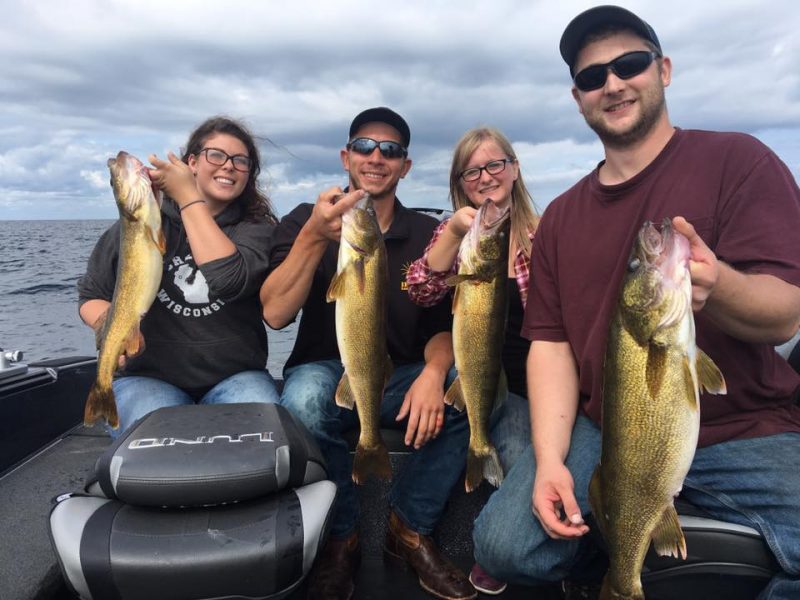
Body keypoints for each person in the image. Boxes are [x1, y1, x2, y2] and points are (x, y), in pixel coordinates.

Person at [471, 6, 800, 600]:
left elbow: (785, 314)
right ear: (578, 98)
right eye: (593, 76)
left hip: (746, 426)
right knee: (502, 546)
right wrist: (549, 462)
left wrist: (717, 285)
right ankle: (623, 559)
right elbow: (549, 344)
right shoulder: (563, 217)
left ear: (664, 69)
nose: (614, 83)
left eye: (630, 63)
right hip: (611, 429)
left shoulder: (739, 160)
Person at [260, 107, 475, 600]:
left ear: (405, 166)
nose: (376, 157)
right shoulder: (305, 220)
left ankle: (408, 526)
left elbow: (444, 328)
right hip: (325, 369)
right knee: (305, 402)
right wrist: (315, 235)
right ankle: (344, 537)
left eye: (391, 150)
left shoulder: (427, 234)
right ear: (346, 156)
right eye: (364, 146)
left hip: (400, 374)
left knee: (475, 391)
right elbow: (274, 313)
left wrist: (436, 371)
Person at [78, 116, 281, 436]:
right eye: (216, 155)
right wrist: (115, 328)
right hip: (148, 379)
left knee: (260, 444)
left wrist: (188, 197)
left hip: (237, 376)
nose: (228, 166)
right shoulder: (135, 226)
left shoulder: (257, 230)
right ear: (192, 163)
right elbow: (92, 294)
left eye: (240, 161)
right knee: (155, 447)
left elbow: (229, 280)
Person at [406, 126, 540, 595]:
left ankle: (521, 550)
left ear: (514, 168)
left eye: (495, 165)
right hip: (483, 375)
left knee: (536, 467)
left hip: (535, 382)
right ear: (461, 182)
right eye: (473, 171)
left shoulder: (543, 233)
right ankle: (436, 531)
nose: (486, 177)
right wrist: (460, 232)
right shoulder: (457, 231)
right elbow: (421, 290)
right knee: (512, 450)